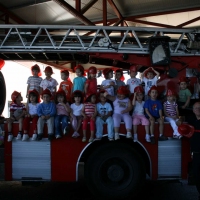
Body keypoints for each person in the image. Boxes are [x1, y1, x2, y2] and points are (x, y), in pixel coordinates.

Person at [186, 102, 200, 199]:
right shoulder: (191, 120)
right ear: (193, 110)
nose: (198, 109)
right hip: (196, 153)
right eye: (196, 108)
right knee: (197, 175)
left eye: (199, 108)